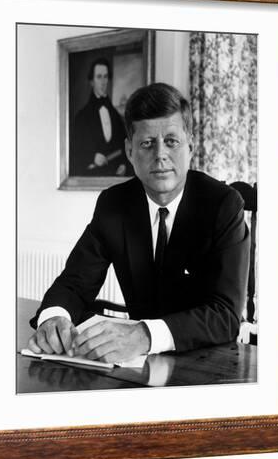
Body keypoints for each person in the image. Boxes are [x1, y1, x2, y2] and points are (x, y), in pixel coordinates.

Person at [29, 83, 250, 363]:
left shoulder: (223, 204)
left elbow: (225, 315)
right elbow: (74, 283)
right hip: (137, 367)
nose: (160, 155)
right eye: (147, 143)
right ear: (130, 151)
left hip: (210, 362)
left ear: (190, 146)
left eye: (171, 141)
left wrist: (144, 335)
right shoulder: (114, 205)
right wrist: (54, 317)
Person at [70, 57, 132, 177]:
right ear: (91, 82)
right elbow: (74, 152)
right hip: (92, 176)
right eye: (99, 77)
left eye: (105, 77)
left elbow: (125, 144)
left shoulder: (116, 115)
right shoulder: (81, 117)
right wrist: (92, 157)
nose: (103, 82)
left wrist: (124, 164)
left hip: (115, 178)